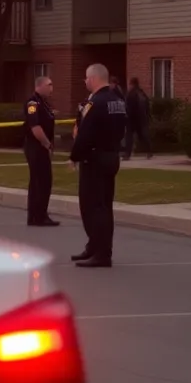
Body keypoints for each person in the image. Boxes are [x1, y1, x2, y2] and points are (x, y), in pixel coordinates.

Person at [69, 64, 128, 268]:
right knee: (104, 205)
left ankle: (102, 253)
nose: (85, 82)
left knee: (93, 207)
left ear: (93, 78)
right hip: (111, 156)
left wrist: (74, 155)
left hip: (94, 159)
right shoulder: (118, 101)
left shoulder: (96, 102)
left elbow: (85, 133)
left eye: (86, 78)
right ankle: (95, 247)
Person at [23, 76, 60, 227]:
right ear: (40, 86)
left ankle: (38, 215)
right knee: (41, 182)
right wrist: (46, 144)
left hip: (41, 147)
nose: (52, 88)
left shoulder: (44, 103)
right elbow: (35, 127)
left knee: (42, 182)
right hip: (36, 147)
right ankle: (37, 216)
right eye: (49, 85)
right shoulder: (33, 103)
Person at [123, 76, 152, 160]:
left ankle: (127, 154)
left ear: (132, 84)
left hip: (132, 119)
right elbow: (147, 106)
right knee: (143, 135)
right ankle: (149, 151)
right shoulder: (142, 93)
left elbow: (128, 107)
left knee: (129, 136)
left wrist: (126, 116)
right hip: (142, 118)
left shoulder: (130, 94)